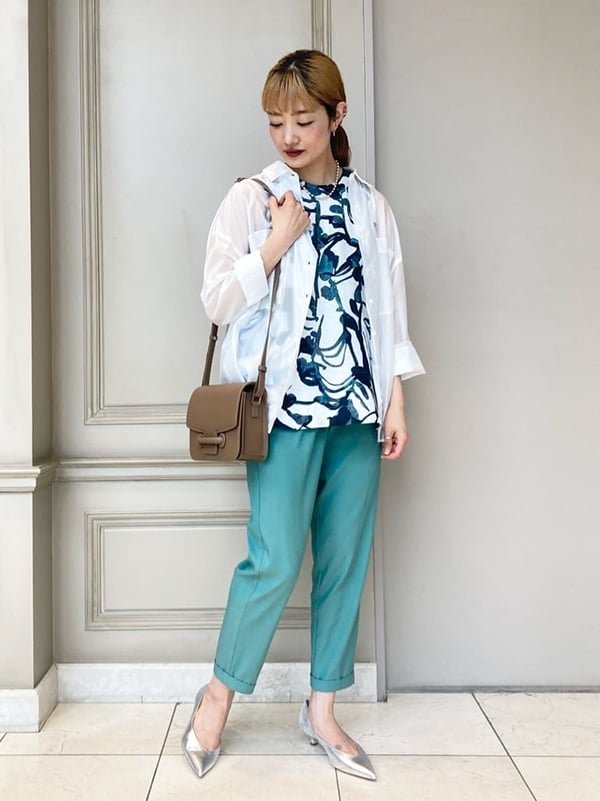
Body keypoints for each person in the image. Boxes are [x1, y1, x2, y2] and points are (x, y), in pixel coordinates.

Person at [182, 49, 424, 782]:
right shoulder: (253, 199)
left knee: (344, 561)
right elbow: (217, 299)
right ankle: (217, 697)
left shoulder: (371, 207)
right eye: (276, 121)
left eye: (304, 120)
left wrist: (395, 397)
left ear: (337, 116)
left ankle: (322, 710)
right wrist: (274, 246)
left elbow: (386, 309)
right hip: (285, 411)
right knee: (276, 558)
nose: (288, 135)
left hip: (357, 412)